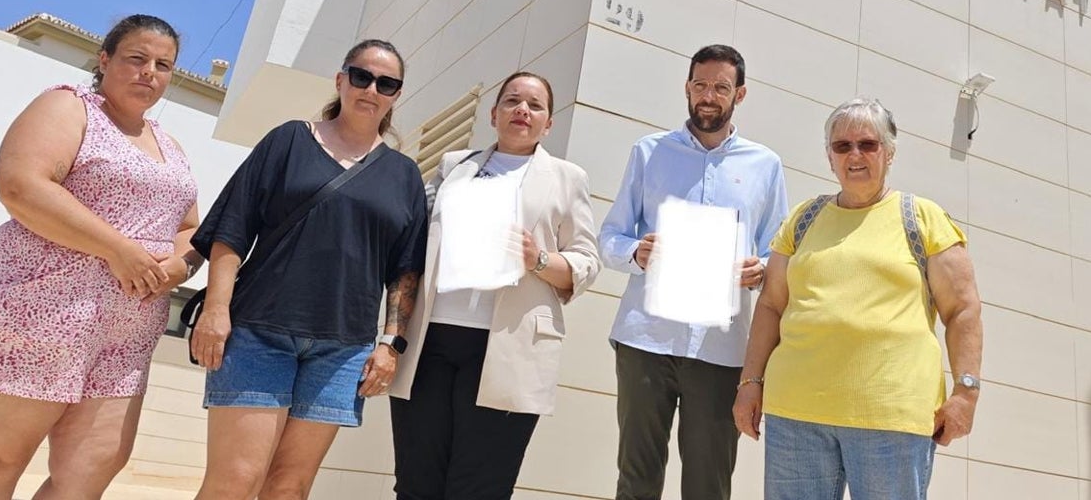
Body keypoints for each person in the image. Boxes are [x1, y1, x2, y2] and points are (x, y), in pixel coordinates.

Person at [0, 14, 201, 500]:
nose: (150, 73)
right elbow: (22, 185)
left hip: (127, 330)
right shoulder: (67, 106)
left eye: (163, 65)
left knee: (94, 467)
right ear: (105, 60)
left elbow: (188, 226)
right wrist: (118, 249)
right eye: (136, 59)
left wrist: (181, 264)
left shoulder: (170, 145)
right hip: (39, 307)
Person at [187, 38, 428, 500]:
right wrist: (216, 309)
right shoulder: (289, 139)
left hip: (342, 350)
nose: (371, 88)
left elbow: (405, 270)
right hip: (260, 332)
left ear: (396, 95)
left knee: (289, 488)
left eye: (386, 83)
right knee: (235, 481)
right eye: (361, 76)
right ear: (341, 80)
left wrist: (390, 344)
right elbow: (232, 229)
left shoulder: (404, 175)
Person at [732, 98, 983, 500]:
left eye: (868, 144)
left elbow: (963, 309)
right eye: (842, 146)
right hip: (796, 416)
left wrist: (965, 392)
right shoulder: (803, 219)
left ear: (890, 152)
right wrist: (749, 383)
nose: (855, 155)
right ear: (829, 157)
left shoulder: (922, 217)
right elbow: (770, 306)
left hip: (891, 418)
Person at [388, 70, 601, 500]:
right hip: (430, 343)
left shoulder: (567, 178)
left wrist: (537, 259)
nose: (522, 110)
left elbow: (587, 261)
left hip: (508, 348)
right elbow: (414, 243)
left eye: (535, 105)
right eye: (512, 101)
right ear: (493, 113)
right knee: (416, 484)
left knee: (480, 489)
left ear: (548, 123)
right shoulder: (453, 167)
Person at [599, 43, 789, 500]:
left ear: (739, 95)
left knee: (709, 483)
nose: (708, 95)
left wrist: (759, 268)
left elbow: (779, 254)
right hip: (646, 338)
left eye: (720, 87)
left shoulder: (765, 165)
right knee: (636, 478)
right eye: (700, 85)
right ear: (687, 88)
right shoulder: (649, 152)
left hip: (721, 348)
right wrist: (637, 253)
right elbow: (610, 238)